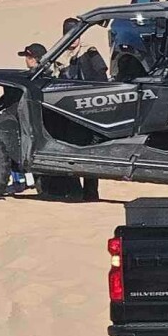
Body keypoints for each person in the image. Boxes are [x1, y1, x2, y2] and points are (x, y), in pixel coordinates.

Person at [58, 17, 106, 202]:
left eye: (76, 34)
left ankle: (90, 193)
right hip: (67, 113)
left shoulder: (89, 52)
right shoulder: (59, 55)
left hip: (89, 111)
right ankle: (75, 192)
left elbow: (101, 77)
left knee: (89, 154)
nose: (74, 39)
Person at [59, 18, 109, 84]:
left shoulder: (88, 50)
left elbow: (101, 73)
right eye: (70, 36)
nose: (74, 39)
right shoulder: (59, 54)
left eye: (76, 36)